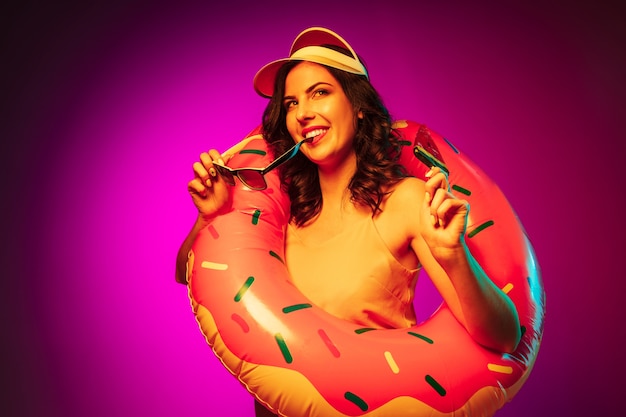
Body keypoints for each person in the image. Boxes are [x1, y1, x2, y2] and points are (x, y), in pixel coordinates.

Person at [175, 27, 521, 417]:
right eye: (290, 103)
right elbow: (187, 274)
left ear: (357, 104)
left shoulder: (405, 200)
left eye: (320, 92)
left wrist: (455, 256)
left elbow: (504, 335)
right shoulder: (286, 209)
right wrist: (208, 218)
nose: (303, 113)